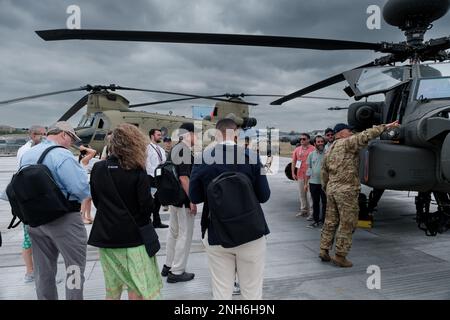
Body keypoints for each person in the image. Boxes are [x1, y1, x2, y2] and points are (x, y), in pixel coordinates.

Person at [189, 118, 271, 300]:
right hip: (251, 232)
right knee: (252, 292)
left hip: (218, 233)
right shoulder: (252, 156)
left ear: (216, 134)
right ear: (236, 134)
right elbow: (264, 196)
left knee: (221, 291)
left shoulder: (202, 158)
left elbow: (194, 197)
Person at [88, 123, 163, 300]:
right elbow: (146, 207)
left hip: (106, 237)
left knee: (112, 287)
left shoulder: (98, 168)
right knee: (138, 286)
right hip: (133, 239)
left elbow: (97, 201)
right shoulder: (137, 171)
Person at [20, 121, 90, 300]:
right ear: (63, 135)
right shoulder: (62, 155)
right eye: (71, 138)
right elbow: (81, 190)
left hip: (35, 221)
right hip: (64, 221)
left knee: (43, 271)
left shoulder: (28, 154)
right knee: (73, 268)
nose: (71, 143)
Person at [319, 121, 400, 267]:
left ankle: (324, 250)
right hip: (346, 191)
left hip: (332, 190)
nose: (351, 133)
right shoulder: (347, 143)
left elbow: (323, 173)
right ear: (341, 133)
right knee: (347, 223)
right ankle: (340, 255)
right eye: (348, 131)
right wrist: (384, 127)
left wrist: (327, 189)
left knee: (330, 221)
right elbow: (365, 135)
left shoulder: (330, 149)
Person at [161, 122, 197, 283]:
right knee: (185, 234)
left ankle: (168, 265)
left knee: (174, 233)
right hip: (183, 200)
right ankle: (177, 271)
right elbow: (184, 177)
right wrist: (193, 199)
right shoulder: (184, 150)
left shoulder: (175, 148)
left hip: (173, 199)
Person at [16, 125, 46, 283]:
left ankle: (32, 271)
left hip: (26, 198)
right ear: (34, 135)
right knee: (33, 238)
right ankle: (33, 272)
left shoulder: (24, 149)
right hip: (31, 199)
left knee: (29, 238)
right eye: (43, 134)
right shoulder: (29, 151)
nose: (45, 137)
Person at [146, 129, 168, 228]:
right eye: (158, 135)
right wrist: (154, 175)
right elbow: (147, 165)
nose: (160, 136)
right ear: (152, 136)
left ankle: (156, 221)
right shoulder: (147, 149)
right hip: (152, 178)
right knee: (151, 200)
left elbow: (164, 163)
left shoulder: (161, 149)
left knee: (158, 200)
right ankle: (148, 221)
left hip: (160, 178)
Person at [305, 135, 327, 228]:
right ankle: (316, 221)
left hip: (325, 183)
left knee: (325, 203)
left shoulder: (328, 153)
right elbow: (308, 169)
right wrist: (306, 183)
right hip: (313, 183)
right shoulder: (311, 154)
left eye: (322, 141)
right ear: (315, 144)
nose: (321, 143)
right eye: (318, 142)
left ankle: (324, 221)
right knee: (315, 202)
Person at [291, 133, 315, 218]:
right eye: (300, 139)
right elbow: (294, 162)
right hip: (300, 174)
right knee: (302, 193)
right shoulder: (297, 150)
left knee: (310, 195)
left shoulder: (313, 149)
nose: (302, 140)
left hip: (310, 175)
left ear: (308, 140)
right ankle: (304, 210)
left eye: (304, 139)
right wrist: (293, 173)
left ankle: (312, 213)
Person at [78, 145, 97, 224]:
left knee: (89, 199)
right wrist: (84, 148)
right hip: (85, 181)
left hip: (87, 181)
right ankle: (82, 217)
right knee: (85, 200)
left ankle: (88, 216)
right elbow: (94, 152)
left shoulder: (85, 159)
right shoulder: (84, 159)